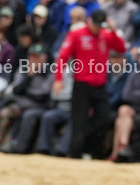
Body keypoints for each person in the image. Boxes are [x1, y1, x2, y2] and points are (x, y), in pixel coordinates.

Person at [53, 10, 126, 159]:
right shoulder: (77, 34)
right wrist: (58, 79)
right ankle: (75, 154)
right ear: (89, 21)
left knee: (104, 117)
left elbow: (121, 49)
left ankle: (92, 151)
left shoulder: (106, 35)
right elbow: (63, 57)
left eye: (101, 25)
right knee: (79, 121)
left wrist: (113, 31)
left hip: (99, 85)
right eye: (96, 24)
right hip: (82, 85)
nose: (98, 28)